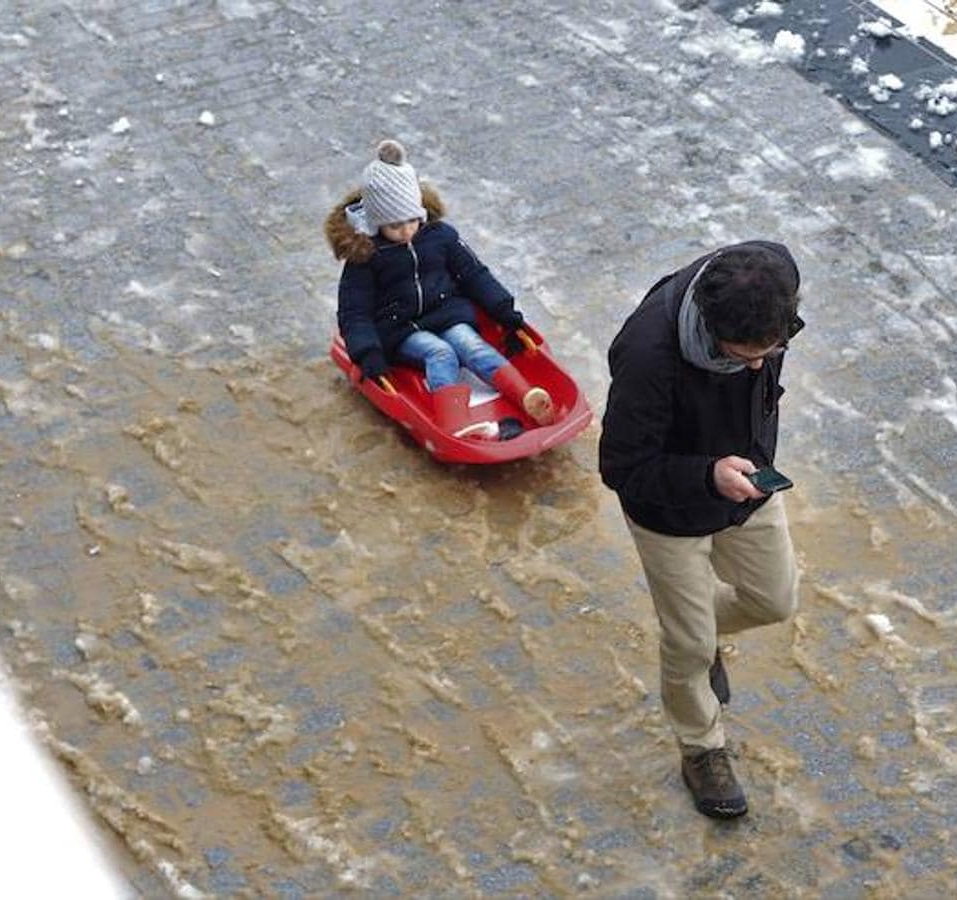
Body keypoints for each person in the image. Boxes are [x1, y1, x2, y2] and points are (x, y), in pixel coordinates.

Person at [599, 242, 804, 819]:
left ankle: (692, 629)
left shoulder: (774, 276)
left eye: (773, 349)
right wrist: (708, 475)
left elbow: (762, 358)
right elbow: (622, 467)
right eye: (743, 356)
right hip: (670, 510)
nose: (761, 365)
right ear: (711, 334)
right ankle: (701, 747)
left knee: (776, 599)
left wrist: (745, 463)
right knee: (687, 644)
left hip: (750, 480)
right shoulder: (647, 357)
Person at [325, 140, 553, 438]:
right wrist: (367, 353)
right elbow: (355, 312)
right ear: (376, 222)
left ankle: (526, 396)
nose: (406, 230)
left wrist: (504, 311)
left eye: (411, 220)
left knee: (470, 344)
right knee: (441, 353)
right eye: (394, 225)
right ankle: (455, 423)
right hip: (399, 329)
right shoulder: (366, 258)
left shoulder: (440, 237)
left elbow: (474, 274)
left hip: (445, 313)